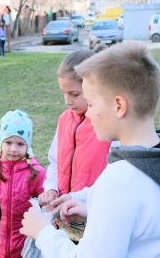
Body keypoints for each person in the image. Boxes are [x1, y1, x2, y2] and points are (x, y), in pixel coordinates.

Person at [20, 42, 160, 257]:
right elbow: (143, 220)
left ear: (119, 106)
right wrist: (86, 202)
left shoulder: (119, 182)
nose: (87, 115)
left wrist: (43, 233)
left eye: (91, 104)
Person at [38, 49, 111, 211]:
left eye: (74, 94)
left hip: (93, 214)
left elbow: (114, 181)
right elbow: (55, 163)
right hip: (64, 216)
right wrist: (52, 189)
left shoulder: (109, 126)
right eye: (63, 93)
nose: (67, 101)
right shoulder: (64, 120)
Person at [0, 109, 46, 258]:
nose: (13, 149)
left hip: (25, 246)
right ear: (1, 142)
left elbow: (46, 206)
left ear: (28, 145)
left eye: (20, 144)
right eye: (8, 142)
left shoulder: (37, 173)